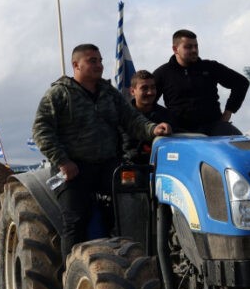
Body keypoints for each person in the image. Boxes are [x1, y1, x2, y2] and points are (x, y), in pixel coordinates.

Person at [33, 43, 172, 257]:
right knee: (75, 221)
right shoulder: (58, 94)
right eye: (92, 61)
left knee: (133, 204)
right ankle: (71, 277)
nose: (99, 65)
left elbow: (132, 119)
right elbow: (41, 131)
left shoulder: (109, 93)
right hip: (73, 170)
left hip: (108, 166)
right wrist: (62, 161)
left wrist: (153, 129)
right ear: (76, 65)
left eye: (100, 61)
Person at [153, 29, 249, 135]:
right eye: (188, 47)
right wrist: (161, 121)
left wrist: (228, 111)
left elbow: (241, 83)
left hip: (214, 126)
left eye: (196, 46)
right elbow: (147, 102)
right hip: (179, 131)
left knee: (240, 145)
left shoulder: (210, 67)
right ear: (175, 49)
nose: (194, 50)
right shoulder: (163, 73)